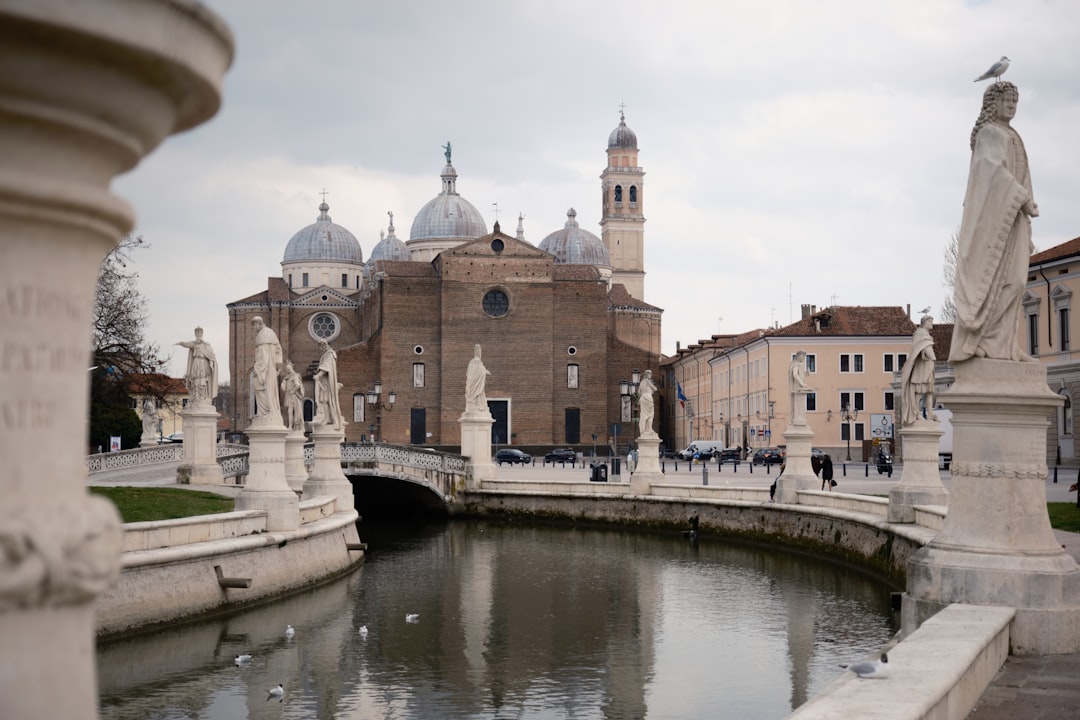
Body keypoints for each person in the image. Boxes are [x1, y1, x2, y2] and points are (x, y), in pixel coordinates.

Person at [950, 81, 1039, 363]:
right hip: (994, 221)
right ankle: (985, 341)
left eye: (1015, 102)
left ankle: (1006, 347)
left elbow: (1022, 176)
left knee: (1017, 282)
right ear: (994, 104)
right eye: (1007, 101)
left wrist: (1026, 220)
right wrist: (1022, 198)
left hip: (1014, 220)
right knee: (1004, 283)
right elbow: (992, 173)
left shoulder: (1014, 136)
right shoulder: (989, 134)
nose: (1012, 106)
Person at [902, 315, 938, 425]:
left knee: (929, 391)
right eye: (930, 321)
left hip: (928, 367)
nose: (932, 323)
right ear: (924, 322)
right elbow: (920, 349)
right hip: (921, 367)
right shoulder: (920, 334)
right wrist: (932, 356)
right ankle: (916, 413)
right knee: (918, 391)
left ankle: (930, 415)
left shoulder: (926, 334)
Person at [250, 316, 283, 425]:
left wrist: (258, 369)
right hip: (270, 369)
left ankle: (266, 411)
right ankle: (264, 411)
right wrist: (279, 366)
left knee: (261, 387)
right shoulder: (270, 333)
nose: (254, 328)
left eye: (254, 325)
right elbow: (279, 350)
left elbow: (263, 356)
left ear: (259, 323)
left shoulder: (264, 335)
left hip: (265, 369)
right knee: (265, 389)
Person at [176, 326, 218, 404]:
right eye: (196, 332)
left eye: (199, 332)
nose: (198, 334)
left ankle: (203, 396)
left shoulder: (206, 345)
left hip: (203, 363)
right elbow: (187, 344)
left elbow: (211, 356)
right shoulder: (194, 344)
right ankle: (195, 395)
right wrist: (180, 343)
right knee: (195, 378)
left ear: (202, 333)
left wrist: (211, 363)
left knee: (202, 379)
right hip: (196, 362)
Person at [313, 340, 343, 430]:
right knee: (324, 400)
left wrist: (319, 375)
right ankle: (328, 417)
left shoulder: (329, 354)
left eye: (320, 346)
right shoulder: (326, 354)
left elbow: (326, 366)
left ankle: (329, 418)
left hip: (327, 381)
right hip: (324, 381)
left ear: (324, 345)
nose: (320, 349)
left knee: (326, 399)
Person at [465, 343, 491, 413]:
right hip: (475, 383)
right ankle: (478, 405)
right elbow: (474, 372)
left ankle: (478, 405)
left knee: (479, 393)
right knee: (477, 393)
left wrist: (484, 371)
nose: (480, 352)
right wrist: (485, 372)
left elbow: (471, 373)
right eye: (479, 351)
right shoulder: (474, 362)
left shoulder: (472, 363)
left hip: (476, 382)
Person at [788, 351, 812, 424]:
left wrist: (807, 373)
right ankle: (797, 420)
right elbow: (795, 375)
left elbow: (801, 375)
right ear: (799, 356)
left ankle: (799, 419)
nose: (804, 358)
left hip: (800, 386)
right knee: (797, 404)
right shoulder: (795, 365)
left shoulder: (800, 365)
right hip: (797, 387)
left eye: (804, 357)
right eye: (803, 356)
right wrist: (802, 383)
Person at [280, 360, 305, 432]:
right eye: (287, 369)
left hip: (294, 395)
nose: (288, 370)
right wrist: (283, 382)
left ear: (291, 368)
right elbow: (284, 389)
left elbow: (297, 385)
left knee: (295, 411)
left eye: (289, 368)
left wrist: (293, 391)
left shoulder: (295, 375)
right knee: (289, 411)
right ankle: (290, 426)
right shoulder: (287, 377)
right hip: (289, 395)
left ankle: (295, 426)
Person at [637, 369, 657, 437]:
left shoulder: (642, 382)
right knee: (651, 415)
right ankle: (649, 429)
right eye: (650, 374)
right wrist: (651, 388)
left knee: (643, 415)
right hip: (648, 397)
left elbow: (639, 392)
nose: (651, 375)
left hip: (642, 398)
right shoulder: (647, 381)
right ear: (647, 374)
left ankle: (643, 430)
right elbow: (655, 389)